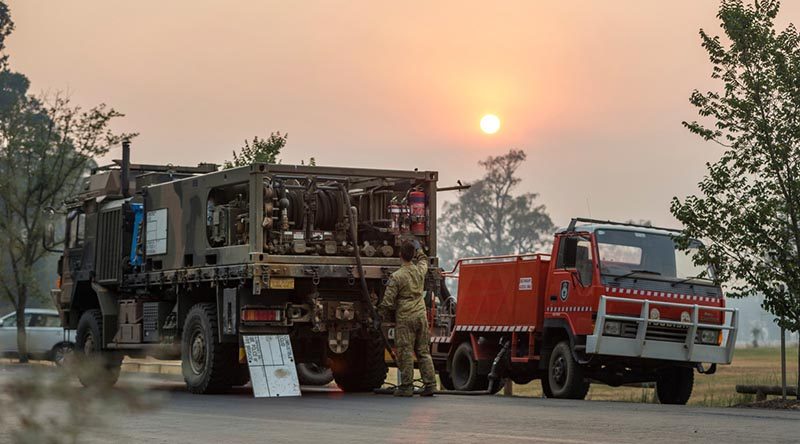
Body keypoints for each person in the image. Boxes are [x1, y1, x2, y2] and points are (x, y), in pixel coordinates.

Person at [377, 240, 436, 397]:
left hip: (405, 317)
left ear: (400, 255)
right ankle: (430, 384)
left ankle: (406, 386)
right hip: (421, 315)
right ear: (412, 256)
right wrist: (420, 250)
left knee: (406, 351)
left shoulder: (397, 277)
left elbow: (388, 302)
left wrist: (379, 315)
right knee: (423, 351)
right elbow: (424, 261)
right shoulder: (419, 271)